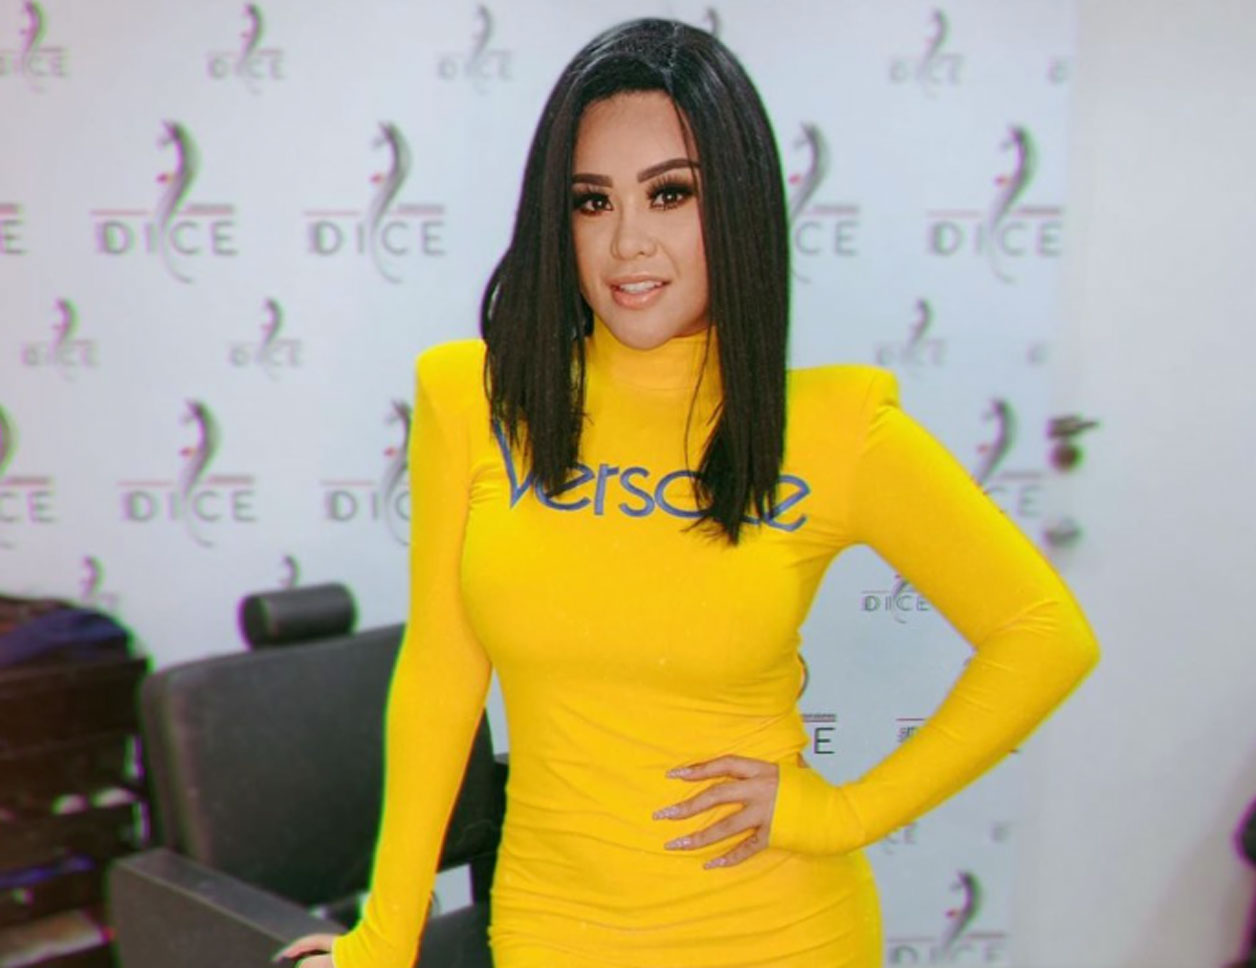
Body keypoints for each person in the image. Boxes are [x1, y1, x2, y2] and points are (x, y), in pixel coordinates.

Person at [276, 18, 1099, 968]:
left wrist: (845, 815)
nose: (628, 242)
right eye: (592, 201)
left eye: (670, 194)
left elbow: (1046, 635)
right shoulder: (475, 398)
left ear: (737, 205)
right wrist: (384, 937)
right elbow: (441, 672)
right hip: (554, 926)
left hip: (778, 933)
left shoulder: (833, 429)